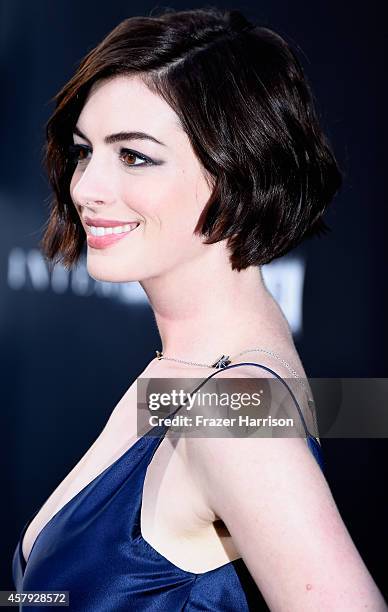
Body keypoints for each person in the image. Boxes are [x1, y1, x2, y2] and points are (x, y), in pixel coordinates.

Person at [12, 7, 387, 611]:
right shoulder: (186, 369)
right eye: (85, 151)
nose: (86, 188)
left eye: (134, 155)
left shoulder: (228, 414)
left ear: (238, 172)